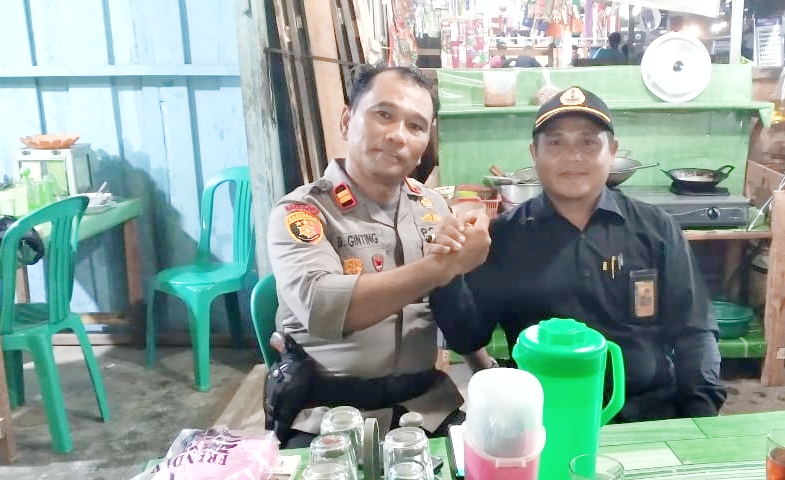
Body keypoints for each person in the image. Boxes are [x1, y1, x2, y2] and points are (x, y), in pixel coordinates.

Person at [433, 86, 727, 422]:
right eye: (556, 143)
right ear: (534, 154)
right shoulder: (503, 237)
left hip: (649, 414)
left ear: (612, 151)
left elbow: (695, 332)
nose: (572, 156)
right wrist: (447, 270)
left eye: (588, 142)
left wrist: (700, 417)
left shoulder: (656, 228)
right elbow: (467, 335)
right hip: (543, 420)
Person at [264, 62, 492, 448]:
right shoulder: (304, 212)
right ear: (346, 121)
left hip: (427, 406)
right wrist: (442, 266)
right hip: (325, 417)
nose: (397, 135)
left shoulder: (433, 207)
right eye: (383, 115)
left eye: (415, 126)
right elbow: (321, 306)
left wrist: (487, 371)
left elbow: (452, 310)